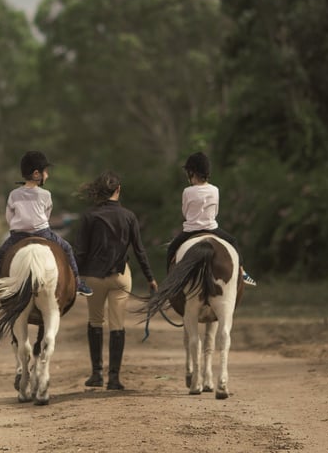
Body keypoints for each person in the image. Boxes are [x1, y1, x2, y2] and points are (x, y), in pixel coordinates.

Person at [74, 170, 158, 391]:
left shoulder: (89, 216)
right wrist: (150, 278)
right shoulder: (129, 216)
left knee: (95, 322)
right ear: (118, 190)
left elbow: (81, 252)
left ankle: (96, 374)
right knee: (117, 325)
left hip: (93, 277)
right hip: (120, 277)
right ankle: (114, 378)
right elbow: (140, 251)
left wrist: (75, 275)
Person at [0, 151, 93, 300]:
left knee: (0, 256)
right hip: (42, 232)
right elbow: (47, 215)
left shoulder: (14, 194)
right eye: (46, 172)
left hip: (18, 235)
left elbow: (9, 217)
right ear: (37, 174)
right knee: (67, 248)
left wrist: (17, 226)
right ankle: (77, 283)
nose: (47, 175)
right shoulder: (45, 194)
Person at [166, 151, 257, 286]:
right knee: (233, 241)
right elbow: (215, 211)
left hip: (191, 230)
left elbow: (185, 212)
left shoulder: (187, 191)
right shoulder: (215, 190)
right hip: (212, 228)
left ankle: (169, 281)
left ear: (191, 172)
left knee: (171, 248)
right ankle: (241, 272)